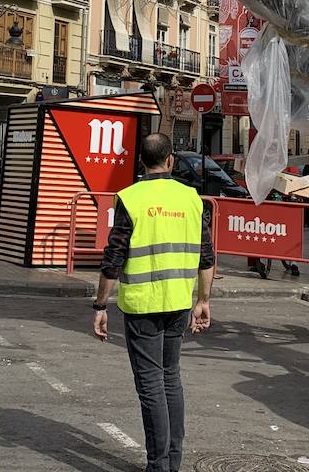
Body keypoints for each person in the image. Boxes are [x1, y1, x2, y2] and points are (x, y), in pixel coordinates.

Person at [94, 133, 215, 472]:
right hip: (178, 301)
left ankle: (158, 465)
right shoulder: (191, 198)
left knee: (150, 382)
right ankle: (171, 462)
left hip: (142, 305)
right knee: (170, 377)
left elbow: (113, 258)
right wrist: (203, 301)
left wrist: (100, 305)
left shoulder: (130, 198)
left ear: (141, 163)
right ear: (171, 160)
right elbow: (207, 257)